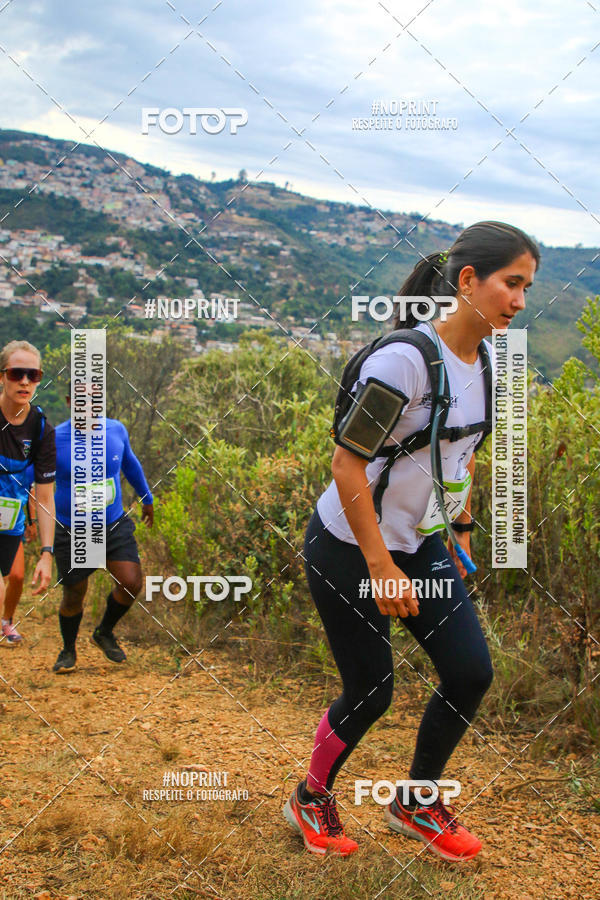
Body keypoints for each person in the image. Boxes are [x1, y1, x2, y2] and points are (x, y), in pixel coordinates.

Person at [283, 221, 539, 860]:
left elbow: (462, 455)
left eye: (527, 289)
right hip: (349, 546)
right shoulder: (403, 362)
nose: (519, 301)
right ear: (468, 280)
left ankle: (416, 803)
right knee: (371, 691)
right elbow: (347, 465)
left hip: (419, 544)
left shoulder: (490, 364)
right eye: (511, 284)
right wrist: (380, 565)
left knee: (470, 672)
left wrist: (458, 527)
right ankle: (310, 797)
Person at [52, 385, 154, 673]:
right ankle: (68, 650)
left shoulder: (116, 430)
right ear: (70, 402)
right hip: (72, 528)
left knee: (131, 582)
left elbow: (130, 464)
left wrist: (147, 498)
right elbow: (39, 479)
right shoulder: (55, 438)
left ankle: (104, 631)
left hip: (112, 523)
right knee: (74, 594)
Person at [0, 341, 56, 644]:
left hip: (10, 520)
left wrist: (47, 553)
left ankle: (6, 621)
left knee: (17, 577)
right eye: (16, 373)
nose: (24, 381)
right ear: (2, 376)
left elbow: (45, 497)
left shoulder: (41, 429)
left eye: (33, 375)